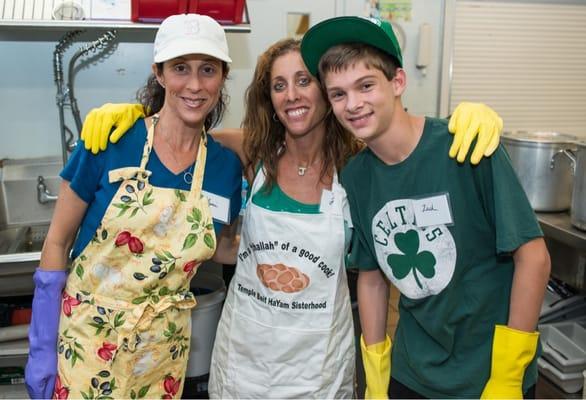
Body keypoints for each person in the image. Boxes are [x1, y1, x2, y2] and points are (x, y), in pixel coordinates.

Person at [79, 36, 503, 398]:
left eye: (304, 81)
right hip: (246, 361)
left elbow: (406, 149)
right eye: (279, 85)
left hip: (317, 366)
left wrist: (461, 119)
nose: (292, 94)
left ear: (327, 92)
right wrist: (133, 118)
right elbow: (182, 136)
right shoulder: (251, 153)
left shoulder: (359, 166)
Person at [300, 15, 551, 399]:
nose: (353, 104)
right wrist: (376, 374)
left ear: (397, 82)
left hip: (488, 373)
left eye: (366, 85)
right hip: (413, 371)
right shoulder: (357, 177)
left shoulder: (465, 146)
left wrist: (507, 375)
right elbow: (370, 277)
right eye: (338, 93)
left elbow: (533, 257)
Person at [24, 13, 243, 399]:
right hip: (88, 343)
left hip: (163, 353)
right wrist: (42, 346)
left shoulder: (224, 167)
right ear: (159, 73)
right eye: (180, 69)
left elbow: (219, 246)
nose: (195, 85)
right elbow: (57, 241)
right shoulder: (112, 139)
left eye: (207, 69)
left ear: (223, 76)